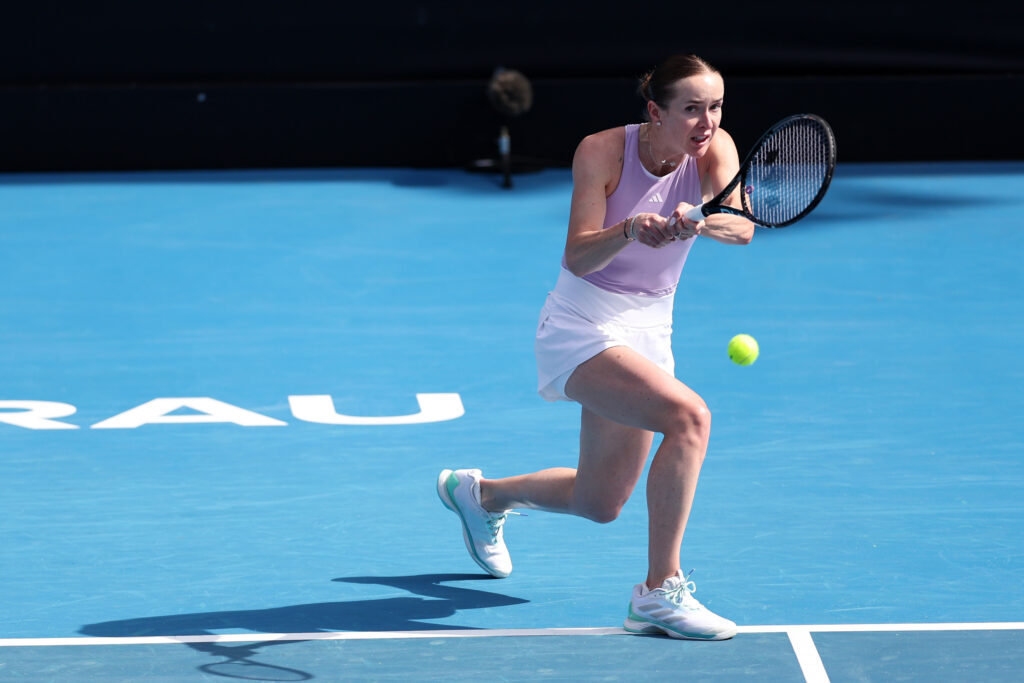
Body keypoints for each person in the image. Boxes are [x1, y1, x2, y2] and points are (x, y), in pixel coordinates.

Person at [437, 54, 754, 641]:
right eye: (691, 110)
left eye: (715, 107)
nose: (706, 122)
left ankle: (480, 496)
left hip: (650, 328)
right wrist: (632, 226)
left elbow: (743, 223)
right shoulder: (602, 151)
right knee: (689, 418)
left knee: (600, 501)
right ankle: (660, 592)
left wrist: (698, 221)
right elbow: (579, 254)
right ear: (656, 112)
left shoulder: (716, 149)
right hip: (582, 322)